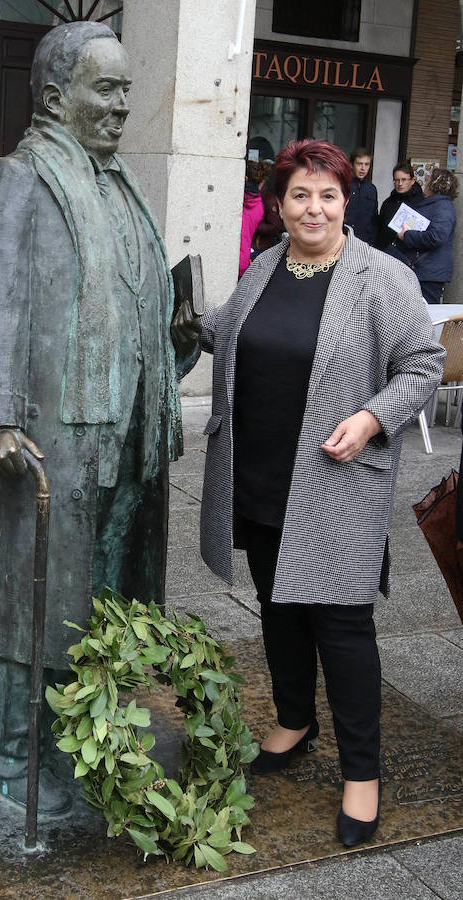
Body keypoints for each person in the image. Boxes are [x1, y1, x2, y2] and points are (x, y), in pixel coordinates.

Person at [0, 21, 199, 814]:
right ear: (57, 97)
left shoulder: (120, 182)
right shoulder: (21, 177)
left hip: (120, 430)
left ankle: (82, 730)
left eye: (130, 89)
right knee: (30, 596)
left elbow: (128, 291)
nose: (124, 106)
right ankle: (7, 753)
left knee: (97, 593)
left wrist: (171, 335)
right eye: (109, 89)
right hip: (47, 433)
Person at [197, 139, 443, 848]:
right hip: (262, 473)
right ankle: (294, 719)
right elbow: (232, 331)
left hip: (336, 480)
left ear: (347, 201)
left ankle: (361, 772)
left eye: (327, 194)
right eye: (300, 195)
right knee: (278, 608)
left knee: (341, 627)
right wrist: (183, 316)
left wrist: (371, 418)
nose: (313, 207)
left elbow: (423, 362)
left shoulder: (380, 276)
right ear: (280, 204)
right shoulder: (267, 265)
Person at [398, 167, 458, 304]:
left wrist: (407, 235)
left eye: (429, 180)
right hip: (425, 270)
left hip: (429, 274)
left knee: (427, 314)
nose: (425, 183)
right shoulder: (437, 205)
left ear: (435, 184)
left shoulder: (442, 208)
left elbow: (436, 237)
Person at [377, 161, 423, 252]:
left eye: (404, 180)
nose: (400, 184)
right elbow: (380, 228)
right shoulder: (388, 203)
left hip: (409, 254)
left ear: (413, 180)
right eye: (397, 180)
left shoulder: (421, 203)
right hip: (386, 253)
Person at [344, 147, 378, 244]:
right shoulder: (344, 186)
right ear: (351, 165)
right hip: (344, 239)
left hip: (365, 241)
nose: (363, 168)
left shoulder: (372, 189)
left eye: (366, 164)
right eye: (359, 164)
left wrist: (372, 241)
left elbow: (374, 219)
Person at [239, 160, 265, 278]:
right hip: (244, 260)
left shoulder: (236, 199)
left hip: (228, 258)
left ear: (244, 178)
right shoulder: (259, 206)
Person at [253, 160, 283, 254]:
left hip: (260, 247)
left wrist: (253, 227)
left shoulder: (268, 198)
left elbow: (275, 225)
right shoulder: (255, 195)